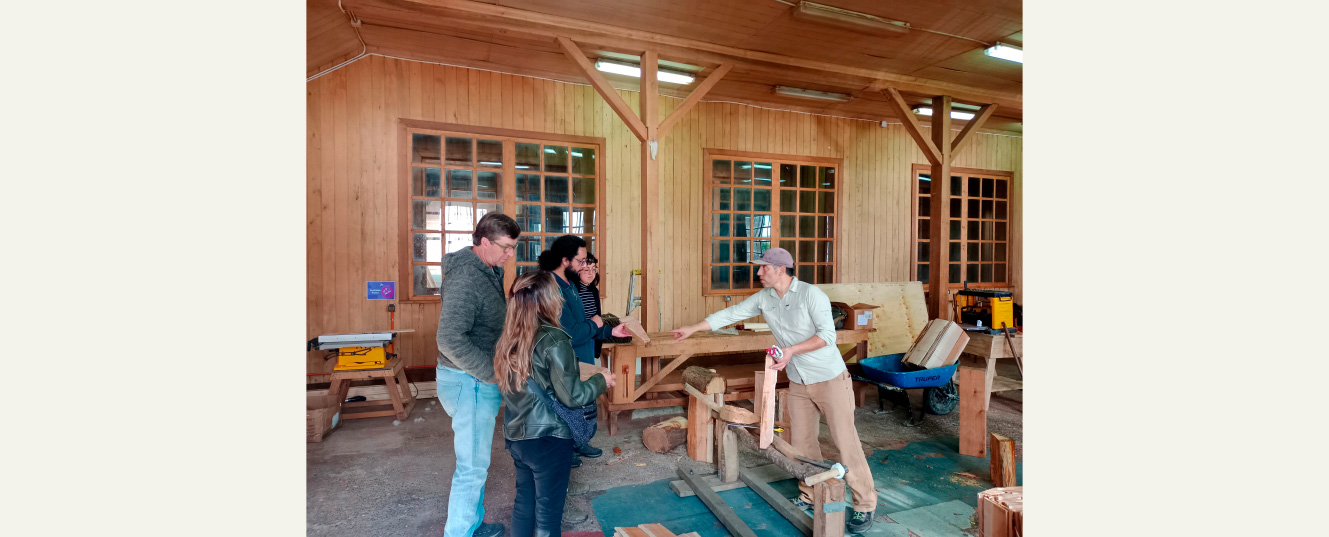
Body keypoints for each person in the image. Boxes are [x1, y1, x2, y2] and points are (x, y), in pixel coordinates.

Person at [670, 248, 877, 534]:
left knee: (845, 442)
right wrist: (694, 328)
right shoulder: (765, 298)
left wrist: (791, 350)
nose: (758, 273)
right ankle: (809, 493)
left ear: (781, 269)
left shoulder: (810, 295)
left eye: (763, 268)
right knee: (802, 443)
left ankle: (865, 504)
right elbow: (732, 313)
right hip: (798, 381)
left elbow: (828, 337)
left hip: (830, 379)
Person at [492, 271, 616, 537]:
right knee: (548, 519)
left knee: (525, 506)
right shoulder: (554, 338)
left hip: (517, 436)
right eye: (556, 293)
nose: (561, 298)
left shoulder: (509, 338)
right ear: (545, 299)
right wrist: (601, 381)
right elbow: (573, 396)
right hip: (549, 439)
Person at [434, 212, 520, 537]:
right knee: (471, 468)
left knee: (477, 462)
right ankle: (458, 532)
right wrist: (491, 372)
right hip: (468, 380)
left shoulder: (488, 269)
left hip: (474, 380)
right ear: (484, 242)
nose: (510, 254)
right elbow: (449, 338)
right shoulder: (467, 278)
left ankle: (471, 524)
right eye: (506, 247)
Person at [536, 236, 630, 467]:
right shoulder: (552, 289)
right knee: (566, 405)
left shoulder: (570, 284)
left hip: (583, 354)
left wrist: (608, 330)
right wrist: (596, 324)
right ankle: (566, 448)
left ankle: (579, 442)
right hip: (565, 358)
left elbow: (584, 323)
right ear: (565, 260)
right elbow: (568, 332)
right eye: (580, 260)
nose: (584, 265)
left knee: (583, 404)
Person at [573, 252, 606, 362]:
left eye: (593, 269)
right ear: (577, 271)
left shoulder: (594, 291)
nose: (591, 273)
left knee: (590, 368)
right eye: (586, 270)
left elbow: (598, 316)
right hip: (579, 337)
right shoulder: (573, 291)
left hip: (592, 336)